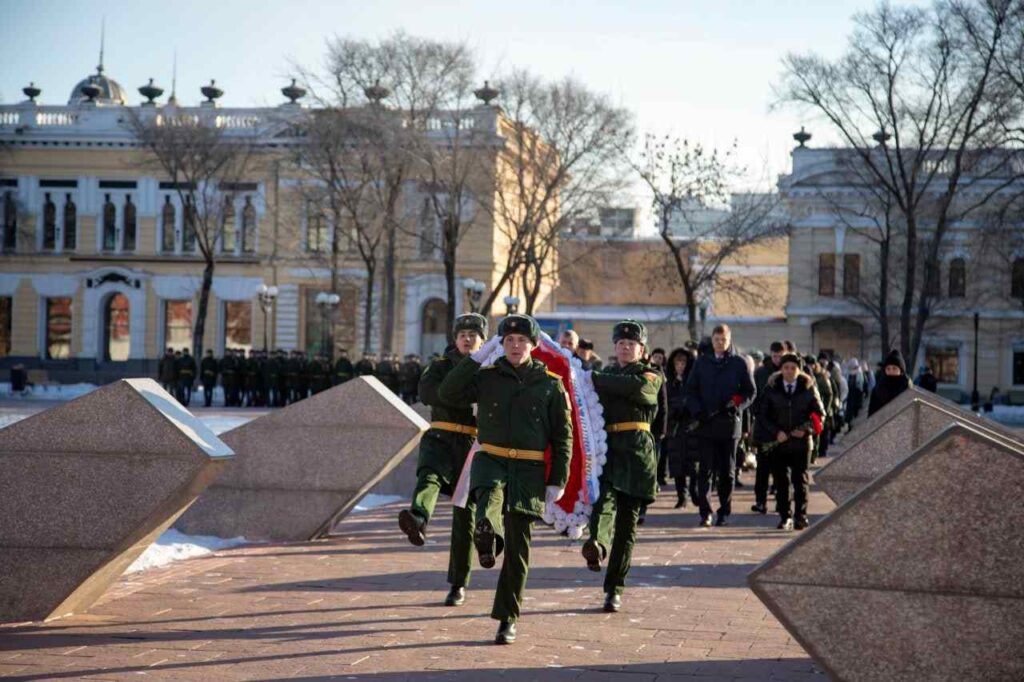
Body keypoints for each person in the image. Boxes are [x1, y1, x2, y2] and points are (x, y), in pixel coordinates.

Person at [438, 314, 572, 645]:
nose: (515, 346)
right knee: (488, 502)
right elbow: (448, 391)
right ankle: (488, 536)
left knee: (519, 548)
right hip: (491, 459)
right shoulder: (487, 377)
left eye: (521, 341)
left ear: (534, 345)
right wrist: (476, 357)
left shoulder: (550, 384)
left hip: (528, 468)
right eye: (508, 340)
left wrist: (558, 479)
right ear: (500, 344)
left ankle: (507, 618)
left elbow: (562, 436)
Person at [398, 314, 487, 607]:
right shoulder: (439, 365)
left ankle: (458, 583)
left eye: (473, 334)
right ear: (455, 338)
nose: (467, 338)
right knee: (429, 476)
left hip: (473, 446)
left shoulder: (490, 369)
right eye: (462, 333)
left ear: (483, 340)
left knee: (465, 515)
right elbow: (427, 393)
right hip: (441, 436)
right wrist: (464, 397)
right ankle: (419, 518)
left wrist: (451, 395)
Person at [581, 320, 663, 612]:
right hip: (608, 450)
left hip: (638, 454)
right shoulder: (605, 374)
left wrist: (596, 380)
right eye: (621, 344)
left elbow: (639, 390)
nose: (626, 347)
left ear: (642, 349)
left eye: (632, 344)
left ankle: (614, 588)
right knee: (602, 502)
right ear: (614, 347)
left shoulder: (650, 375)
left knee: (627, 525)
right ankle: (597, 545)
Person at [684, 324, 756, 527]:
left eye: (723, 340)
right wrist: (697, 410)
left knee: (727, 471)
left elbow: (750, 392)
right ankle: (705, 512)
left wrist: (738, 404)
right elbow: (691, 391)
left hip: (729, 425)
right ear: (712, 340)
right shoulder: (702, 363)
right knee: (705, 471)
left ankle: (724, 511)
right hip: (706, 423)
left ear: (729, 339)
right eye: (717, 339)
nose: (720, 343)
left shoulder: (738, 363)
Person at [757, 353, 825, 531]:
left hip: (801, 443)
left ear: (799, 370)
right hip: (779, 443)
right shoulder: (772, 387)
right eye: (786, 367)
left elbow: (820, 415)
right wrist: (775, 432)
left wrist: (805, 430)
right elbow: (763, 415)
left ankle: (801, 516)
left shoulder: (809, 388)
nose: (789, 371)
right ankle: (785, 515)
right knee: (781, 481)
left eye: (793, 368)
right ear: (781, 369)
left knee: (800, 479)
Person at [751, 342, 784, 515]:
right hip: (764, 426)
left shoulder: (788, 371)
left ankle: (781, 501)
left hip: (782, 428)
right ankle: (760, 501)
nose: (777, 359)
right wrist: (757, 412)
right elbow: (753, 396)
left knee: (781, 468)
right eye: (775, 356)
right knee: (762, 468)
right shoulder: (761, 372)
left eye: (780, 355)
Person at [665, 347, 698, 509]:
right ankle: (681, 496)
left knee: (693, 464)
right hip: (675, 428)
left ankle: (694, 491)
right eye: (677, 362)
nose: (680, 366)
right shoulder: (669, 382)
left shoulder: (694, 382)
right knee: (677, 465)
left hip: (691, 428)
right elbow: (664, 403)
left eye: (683, 362)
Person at [868, 350, 912, 416]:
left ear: (901, 370)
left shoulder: (907, 388)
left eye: (894, 368)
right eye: (888, 369)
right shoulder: (878, 389)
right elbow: (871, 415)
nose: (891, 371)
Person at [845, 357, 865, 424]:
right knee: (849, 413)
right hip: (850, 394)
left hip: (857, 395)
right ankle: (850, 426)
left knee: (856, 412)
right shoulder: (848, 373)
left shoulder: (860, 373)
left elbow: (862, 386)